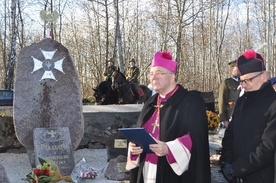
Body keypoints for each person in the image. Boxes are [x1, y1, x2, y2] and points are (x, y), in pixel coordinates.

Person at [126, 51, 211, 183]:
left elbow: (196, 139)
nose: (153, 77)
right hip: (146, 169)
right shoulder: (150, 102)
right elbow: (140, 131)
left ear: (172, 76)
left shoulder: (191, 101)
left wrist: (169, 149)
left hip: (173, 174)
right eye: (151, 73)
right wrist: (134, 146)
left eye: (159, 73)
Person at [220, 49, 276, 183]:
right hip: (237, 174)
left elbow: (267, 148)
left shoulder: (273, 103)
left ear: (263, 76)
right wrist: (226, 161)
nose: (243, 85)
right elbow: (230, 134)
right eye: (241, 81)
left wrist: (238, 168)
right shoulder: (242, 100)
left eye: (248, 80)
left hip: (261, 176)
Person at [218, 60, 240, 129]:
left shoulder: (244, 82)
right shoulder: (227, 83)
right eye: (238, 67)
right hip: (230, 115)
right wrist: (224, 119)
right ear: (232, 69)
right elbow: (222, 101)